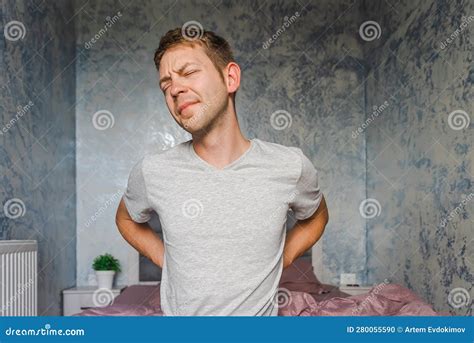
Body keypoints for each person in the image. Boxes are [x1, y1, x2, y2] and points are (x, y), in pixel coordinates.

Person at [115, 27, 329, 316]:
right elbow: (126, 218)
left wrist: (283, 257)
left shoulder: (290, 166)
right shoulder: (152, 171)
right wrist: (167, 259)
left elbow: (317, 215)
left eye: (188, 72)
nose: (175, 89)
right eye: (166, 85)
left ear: (230, 78)